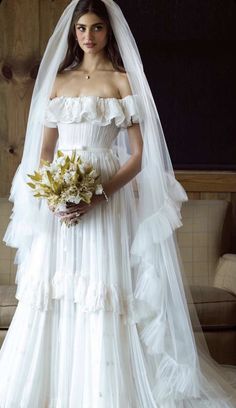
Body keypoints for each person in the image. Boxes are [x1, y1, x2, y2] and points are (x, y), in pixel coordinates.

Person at [0, 0, 236, 406]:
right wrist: (53, 193)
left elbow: (138, 155)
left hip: (107, 198)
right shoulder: (59, 80)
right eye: (81, 29)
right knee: (57, 291)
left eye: (96, 28)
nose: (88, 37)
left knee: (103, 289)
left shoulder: (125, 82)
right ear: (73, 34)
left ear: (109, 32)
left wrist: (98, 195)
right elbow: (44, 151)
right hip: (61, 202)